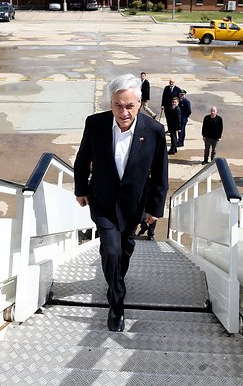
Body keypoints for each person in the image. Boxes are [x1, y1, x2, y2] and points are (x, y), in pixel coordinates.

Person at [74, 74, 168, 332]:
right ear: (111, 103)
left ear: (139, 103)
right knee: (113, 250)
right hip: (102, 201)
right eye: (118, 105)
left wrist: (155, 208)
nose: (124, 112)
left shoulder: (154, 131)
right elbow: (82, 158)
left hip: (133, 205)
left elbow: (160, 173)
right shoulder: (95, 124)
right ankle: (117, 305)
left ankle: (115, 275)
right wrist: (80, 188)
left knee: (123, 249)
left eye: (129, 105)